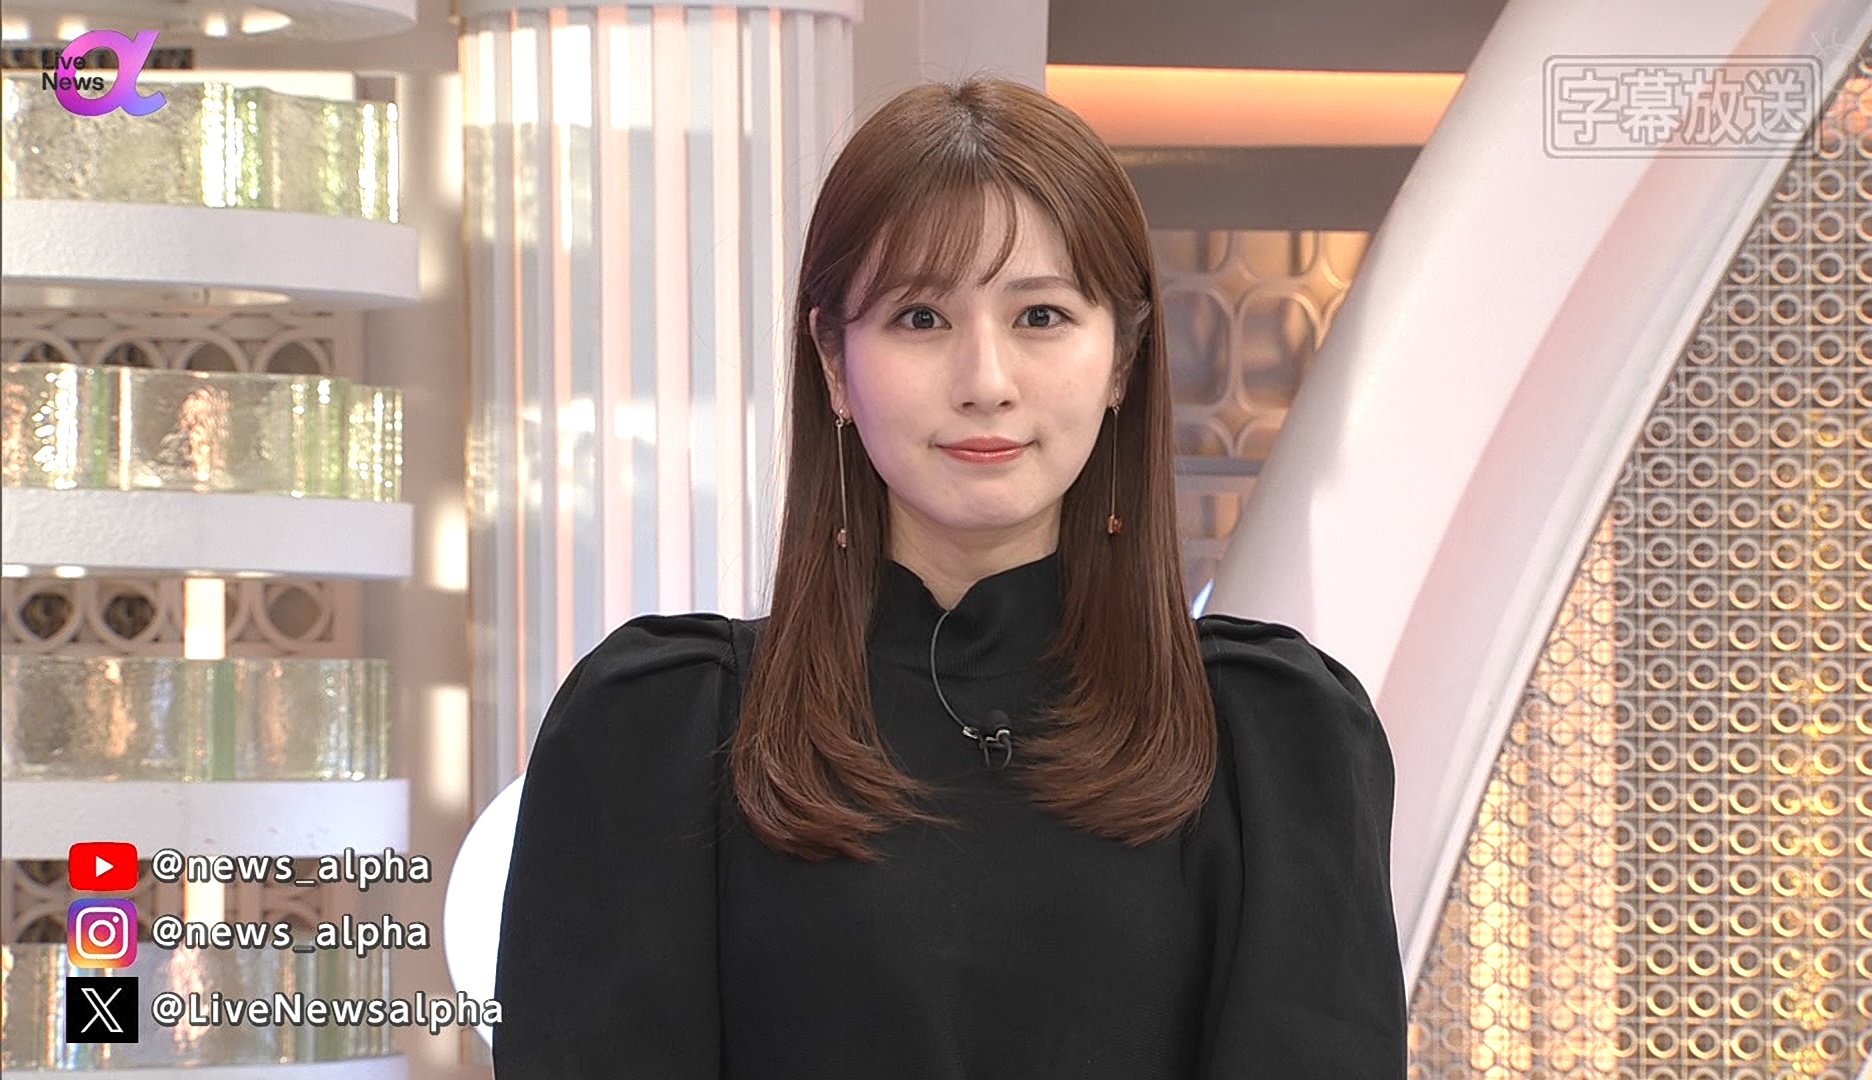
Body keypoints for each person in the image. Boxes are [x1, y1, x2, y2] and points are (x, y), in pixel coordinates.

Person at [491, 77, 1406, 1078]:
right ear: (834, 363)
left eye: (1041, 315)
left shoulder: (1275, 744)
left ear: (1122, 360)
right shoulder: (657, 731)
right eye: (921, 317)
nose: (985, 381)